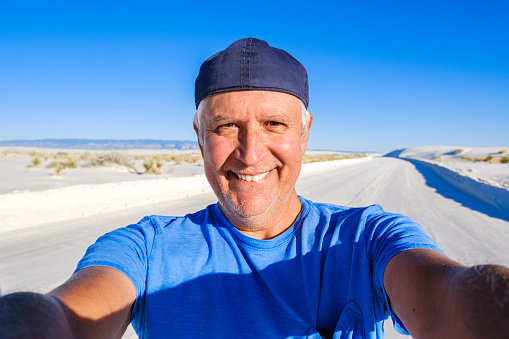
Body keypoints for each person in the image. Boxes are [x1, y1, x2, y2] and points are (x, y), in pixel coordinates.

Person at [1, 37, 508, 339]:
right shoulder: (146, 249)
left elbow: (452, 303)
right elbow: (65, 319)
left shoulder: (367, 240)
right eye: (225, 128)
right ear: (198, 136)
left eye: (274, 125)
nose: (249, 153)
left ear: (306, 132)